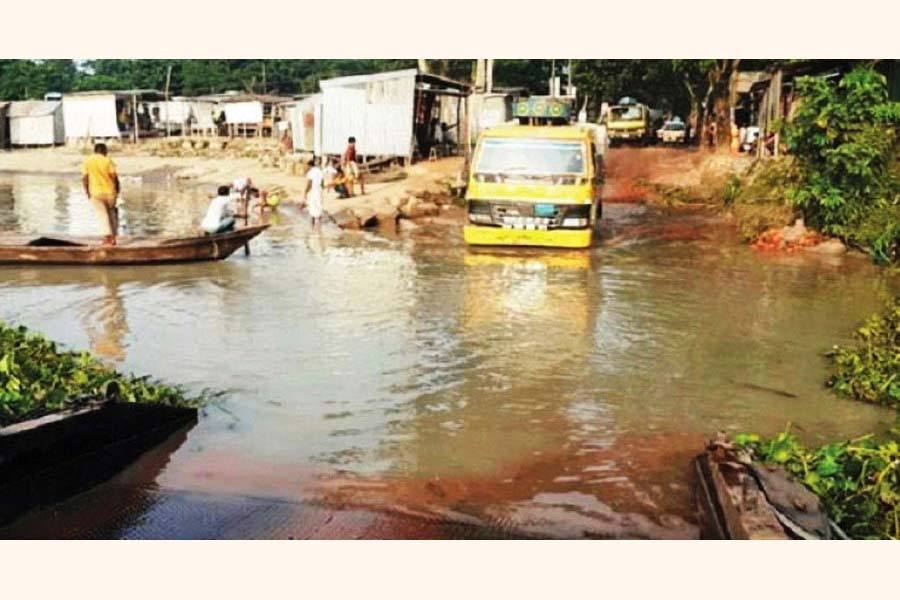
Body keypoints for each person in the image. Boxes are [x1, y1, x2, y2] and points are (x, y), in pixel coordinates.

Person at [81, 142, 121, 246]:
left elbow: (85, 178)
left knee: (102, 214)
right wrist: (117, 190)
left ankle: (107, 237)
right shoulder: (108, 161)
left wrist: (86, 191)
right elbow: (114, 176)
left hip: (95, 192)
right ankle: (114, 237)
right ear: (104, 151)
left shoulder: (88, 161)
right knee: (111, 213)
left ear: (95, 151)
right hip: (110, 192)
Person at [304, 157, 325, 232]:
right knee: (319, 204)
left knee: (312, 205)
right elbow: (322, 182)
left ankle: (313, 223)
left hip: (313, 190)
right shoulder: (320, 171)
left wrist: (306, 191)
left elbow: (309, 183)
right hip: (319, 190)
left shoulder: (310, 172)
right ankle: (319, 223)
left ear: (310, 166)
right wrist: (321, 188)